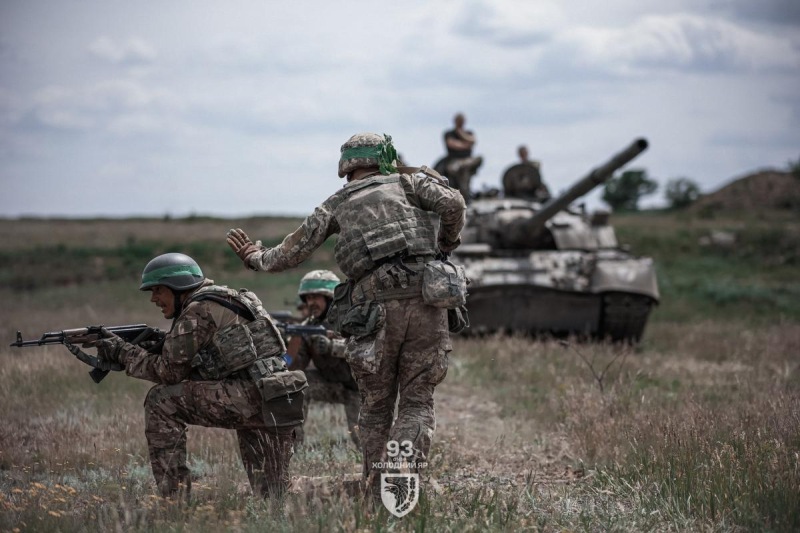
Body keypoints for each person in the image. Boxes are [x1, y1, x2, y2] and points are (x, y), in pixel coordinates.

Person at [226, 132, 466, 501]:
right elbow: (453, 204)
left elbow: (289, 253)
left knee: (376, 406)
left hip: (375, 312)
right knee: (417, 402)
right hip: (427, 302)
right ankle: (402, 480)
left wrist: (254, 256)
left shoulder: (337, 203)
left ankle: (376, 489)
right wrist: (445, 244)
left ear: (345, 167)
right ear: (383, 158)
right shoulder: (409, 182)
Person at [87, 253, 305, 499]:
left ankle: (175, 499)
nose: (153, 299)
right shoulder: (229, 297)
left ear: (178, 287)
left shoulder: (197, 310)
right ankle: (338, 493)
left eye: (158, 290)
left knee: (161, 401)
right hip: (278, 399)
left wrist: (122, 352)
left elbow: (168, 373)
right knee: (273, 495)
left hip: (250, 396)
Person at [287, 270, 360, 447]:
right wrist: (291, 344)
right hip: (330, 384)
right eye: (308, 298)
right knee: (297, 385)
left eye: (316, 298)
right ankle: (292, 446)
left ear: (330, 299)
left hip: (361, 388)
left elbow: (364, 349)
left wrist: (332, 347)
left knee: (362, 437)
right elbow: (291, 365)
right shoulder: (307, 327)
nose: (311, 303)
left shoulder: (351, 318)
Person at [434, 113, 483, 201]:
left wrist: (461, 133)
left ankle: (465, 196)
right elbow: (452, 144)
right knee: (456, 173)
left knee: (469, 170)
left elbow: (472, 140)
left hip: (468, 160)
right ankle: (461, 196)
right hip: (454, 160)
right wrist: (466, 144)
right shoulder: (449, 133)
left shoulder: (468, 132)